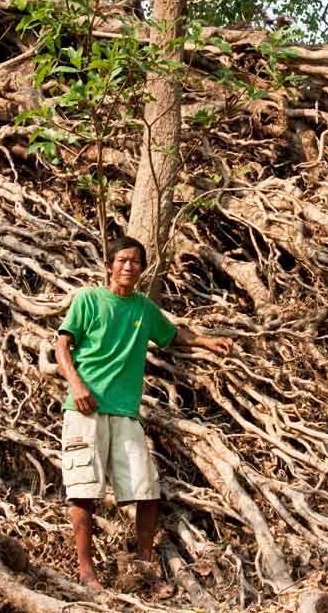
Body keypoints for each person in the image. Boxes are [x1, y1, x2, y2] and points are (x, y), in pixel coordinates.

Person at [54, 236, 232, 593]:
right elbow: (61, 345)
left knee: (146, 490)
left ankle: (144, 567)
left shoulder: (143, 308)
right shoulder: (89, 299)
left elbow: (173, 335)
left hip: (125, 413)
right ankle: (86, 572)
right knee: (83, 492)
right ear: (109, 265)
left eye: (135, 261)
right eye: (121, 260)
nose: (128, 266)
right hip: (85, 410)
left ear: (141, 268)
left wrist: (205, 341)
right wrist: (77, 385)